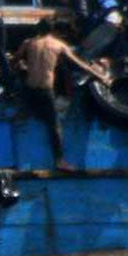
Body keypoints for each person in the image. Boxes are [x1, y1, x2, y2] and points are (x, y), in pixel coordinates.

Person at [13, 22, 100, 172]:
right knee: (54, 126)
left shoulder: (28, 43)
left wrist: (23, 67)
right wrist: (101, 76)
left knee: (20, 119)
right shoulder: (58, 45)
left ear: (37, 30)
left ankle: (16, 159)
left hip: (29, 89)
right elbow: (79, 64)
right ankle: (60, 161)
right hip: (45, 90)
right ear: (52, 31)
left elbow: (15, 60)